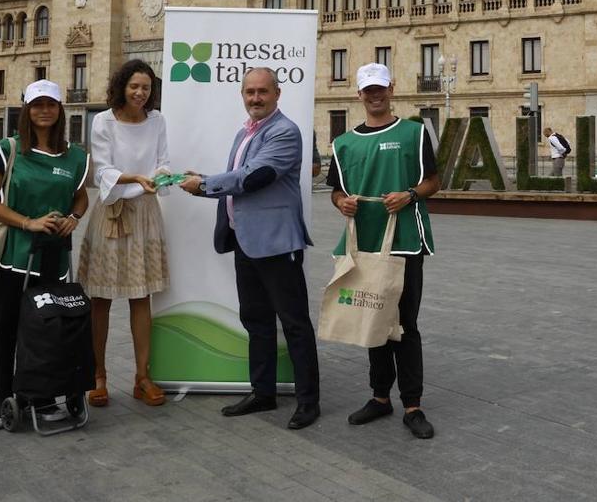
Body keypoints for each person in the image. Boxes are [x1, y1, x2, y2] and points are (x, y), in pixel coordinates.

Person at [180, 68, 320, 430]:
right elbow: (241, 176)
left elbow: (255, 177)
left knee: (294, 324)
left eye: (262, 92)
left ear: (277, 93)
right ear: (242, 94)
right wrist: (203, 179)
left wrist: (205, 184)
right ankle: (263, 392)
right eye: (249, 92)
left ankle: (308, 402)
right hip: (246, 241)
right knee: (256, 321)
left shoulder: (285, 132)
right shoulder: (247, 131)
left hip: (276, 243)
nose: (255, 98)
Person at [328, 63, 440, 440]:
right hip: (365, 243)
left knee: (405, 324)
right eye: (367, 90)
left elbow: (433, 182)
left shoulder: (413, 132)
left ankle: (413, 404)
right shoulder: (343, 144)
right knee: (373, 321)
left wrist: (409, 194)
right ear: (358, 94)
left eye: (380, 88)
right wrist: (341, 203)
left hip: (406, 241)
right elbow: (336, 189)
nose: (374, 95)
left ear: (391, 88)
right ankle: (379, 397)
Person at [0, 80, 90, 430]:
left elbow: (80, 195)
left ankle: (42, 399)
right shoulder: (8, 149)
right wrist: (28, 222)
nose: (44, 111)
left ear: (60, 110)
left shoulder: (75, 156)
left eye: (51, 105)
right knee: (6, 328)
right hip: (14, 256)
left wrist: (73, 217)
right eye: (37, 105)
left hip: (53, 259)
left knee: (46, 332)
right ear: (27, 109)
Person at [77, 60, 172, 409]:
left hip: (146, 211)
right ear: (122, 86)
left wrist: (163, 176)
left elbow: (163, 160)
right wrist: (136, 179)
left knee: (140, 296)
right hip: (112, 212)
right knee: (100, 299)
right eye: (134, 86)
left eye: (146, 87)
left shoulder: (157, 120)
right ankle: (98, 376)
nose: (140, 93)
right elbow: (103, 169)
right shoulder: (103, 121)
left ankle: (141, 377)